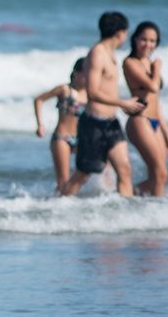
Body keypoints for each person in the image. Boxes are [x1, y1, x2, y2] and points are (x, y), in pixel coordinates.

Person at [61, 12, 144, 198]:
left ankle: (126, 216)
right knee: (82, 174)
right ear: (120, 32)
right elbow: (92, 92)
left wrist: (120, 104)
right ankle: (58, 206)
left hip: (111, 122)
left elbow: (107, 89)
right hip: (94, 124)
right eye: (125, 32)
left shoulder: (110, 53)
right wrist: (122, 102)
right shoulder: (97, 53)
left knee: (124, 170)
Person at [124, 20, 168, 196]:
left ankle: (130, 197)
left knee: (157, 175)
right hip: (139, 121)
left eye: (152, 41)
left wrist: (166, 133)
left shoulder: (149, 62)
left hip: (154, 121)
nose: (148, 44)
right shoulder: (130, 62)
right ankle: (155, 211)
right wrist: (157, 68)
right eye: (144, 39)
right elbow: (152, 87)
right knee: (161, 173)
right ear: (135, 39)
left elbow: (155, 101)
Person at [33, 58, 88, 193]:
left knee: (87, 172)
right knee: (63, 181)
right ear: (76, 73)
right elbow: (39, 99)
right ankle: (59, 208)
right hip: (62, 137)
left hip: (81, 138)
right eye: (84, 73)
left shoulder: (91, 93)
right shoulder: (65, 89)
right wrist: (40, 124)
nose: (88, 77)